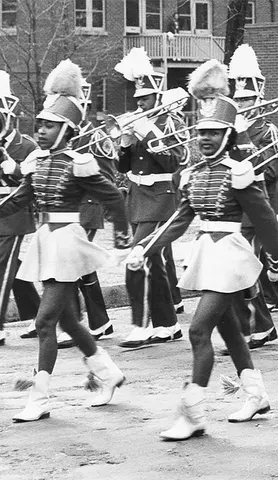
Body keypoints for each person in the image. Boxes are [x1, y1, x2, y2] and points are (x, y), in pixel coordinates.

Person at [124, 60, 278, 440]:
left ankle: (192, 412)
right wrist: (146, 248)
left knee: (198, 330)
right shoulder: (195, 174)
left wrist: (276, 258)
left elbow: (265, 219)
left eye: (215, 133)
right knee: (230, 334)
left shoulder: (238, 172)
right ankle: (256, 395)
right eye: (202, 132)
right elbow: (178, 220)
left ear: (228, 135)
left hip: (230, 255)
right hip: (206, 255)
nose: (207, 138)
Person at [0, 60, 131, 421]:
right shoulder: (39, 161)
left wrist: (123, 239)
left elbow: (114, 197)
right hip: (46, 241)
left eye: (49, 125)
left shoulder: (79, 163)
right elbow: (21, 196)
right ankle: (108, 373)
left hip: (68, 242)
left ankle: (40, 397)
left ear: (67, 129)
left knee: (45, 322)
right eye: (40, 124)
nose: (41, 130)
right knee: (67, 321)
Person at [114, 47, 184, 347]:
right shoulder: (136, 123)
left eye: (144, 98)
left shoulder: (171, 125)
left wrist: (147, 133)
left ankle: (141, 325)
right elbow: (123, 167)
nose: (139, 103)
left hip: (161, 197)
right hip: (138, 197)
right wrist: (126, 145)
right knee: (154, 263)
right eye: (137, 99)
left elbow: (175, 161)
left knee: (138, 257)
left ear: (157, 96)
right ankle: (168, 324)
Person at [0, 70, 41, 348]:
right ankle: (42, 316)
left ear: (10, 117)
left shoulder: (26, 145)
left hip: (15, 212)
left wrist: (14, 169)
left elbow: (35, 183)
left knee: (0, 268)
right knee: (13, 268)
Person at [226, 44, 278, 350]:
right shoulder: (232, 130)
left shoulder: (268, 131)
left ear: (259, 101)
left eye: (247, 99)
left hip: (258, 207)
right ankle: (260, 325)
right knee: (241, 268)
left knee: (250, 266)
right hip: (237, 210)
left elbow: (273, 172)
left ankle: (259, 325)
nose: (242, 105)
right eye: (238, 100)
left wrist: (246, 137)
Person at [56, 78, 118, 349]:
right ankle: (98, 321)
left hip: (86, 207)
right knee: (80, 267)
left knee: (72, 265)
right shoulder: (64, 134)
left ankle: (76, 323)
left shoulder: (94, 136)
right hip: (66, 210)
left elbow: (108, 173)